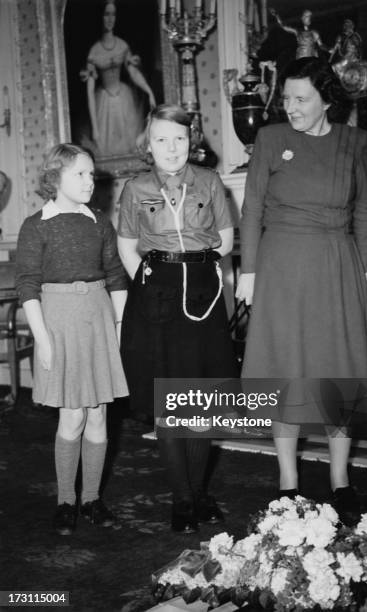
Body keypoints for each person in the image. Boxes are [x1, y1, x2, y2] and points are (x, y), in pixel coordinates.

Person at [236, 57, 367, 526]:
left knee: (339, 370)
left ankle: (341, 480)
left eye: (301, 100)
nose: (290, 108)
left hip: (337, 263)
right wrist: (250, 272)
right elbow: (252, 206)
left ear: (326, 100)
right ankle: (287, 483)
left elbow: (365, 212)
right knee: (286, 371)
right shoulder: (271, 139)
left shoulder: (355, 143)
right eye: (286, 99)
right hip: (280, 267)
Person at [117, 104, 238, 534]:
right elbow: (127, 246)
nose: (172, 148)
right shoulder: (135, 188)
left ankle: (201, 492)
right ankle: (182, 498)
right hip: (158, 295)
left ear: (193, 141)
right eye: (162, 140)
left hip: (203, 290)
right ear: (148, 145)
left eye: (180, 139)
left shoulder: (209, 181)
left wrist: (198, 273)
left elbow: (224, 240)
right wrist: (153, 287)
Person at [15, 143, 128, 535]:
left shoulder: (99, 221)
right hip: (58, 321)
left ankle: (93, 499)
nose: (88, 181)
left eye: (91, 174)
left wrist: (118, 326)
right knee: (72, 415)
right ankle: (66, 501)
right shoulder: (37, 224)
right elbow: (28, 286)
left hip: (98, 316)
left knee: (98, 412)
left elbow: (115, 275)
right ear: (55, 177)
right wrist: (42, 339)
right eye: (80, 173)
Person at [80, 0, 156, 157]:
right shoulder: (95, 50)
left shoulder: (122, 45)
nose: (110, 19)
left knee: (130, 147)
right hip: (104, 103)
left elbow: (133, 73)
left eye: (113, 14)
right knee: (106, 149)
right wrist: (95, 127)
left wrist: (149, 91)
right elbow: (89, 90)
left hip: (124, 99)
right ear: (100, 17)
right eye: (106, 14)